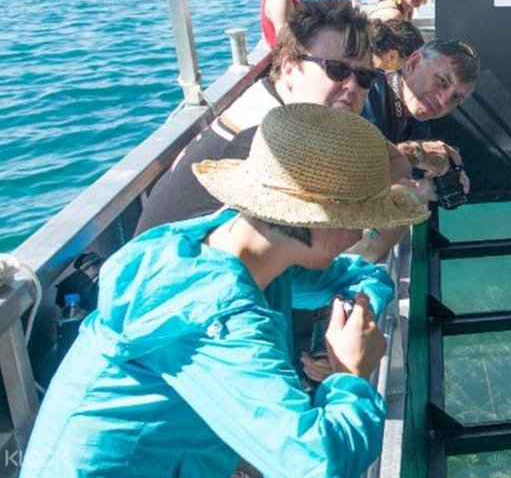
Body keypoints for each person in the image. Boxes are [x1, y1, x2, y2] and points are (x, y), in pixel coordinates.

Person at [21, 104, 431, 476]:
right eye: (357, 217)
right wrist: (352, 373)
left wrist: (355, 322)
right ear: (316, 218)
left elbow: (363, 275)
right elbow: (319, 464)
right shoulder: (213, 311)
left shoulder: (218, 246)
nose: (360, 232)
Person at [136, 0, 376, 236]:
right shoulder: (267, 139)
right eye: (337, 69)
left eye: (364, 76)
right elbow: (328, 246)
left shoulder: (275, 103)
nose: (352, 85)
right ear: (290, 67)